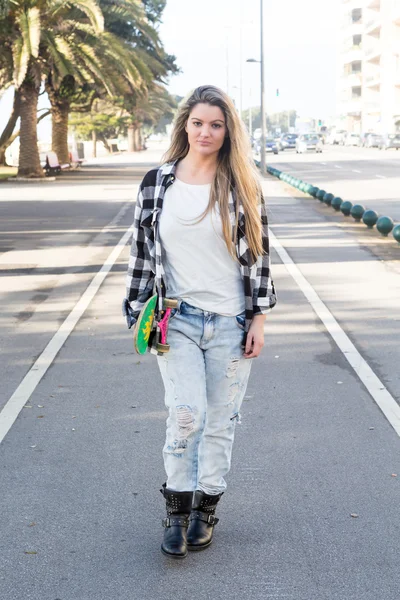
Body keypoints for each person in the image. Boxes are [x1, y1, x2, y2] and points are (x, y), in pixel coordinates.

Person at [123, 85, 277, 559]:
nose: (205, 132)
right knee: (185, 415)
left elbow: (259, 257)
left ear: (228, 130)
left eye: (216, 124)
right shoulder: (157, 182)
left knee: (220, 422)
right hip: (177, 320)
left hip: (231, 322)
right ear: (184, 125)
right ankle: (176, 510)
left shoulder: (241, 185)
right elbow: (142, 253)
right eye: (197, 123)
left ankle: (205, 510)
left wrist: (259, 318)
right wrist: (136, 312)